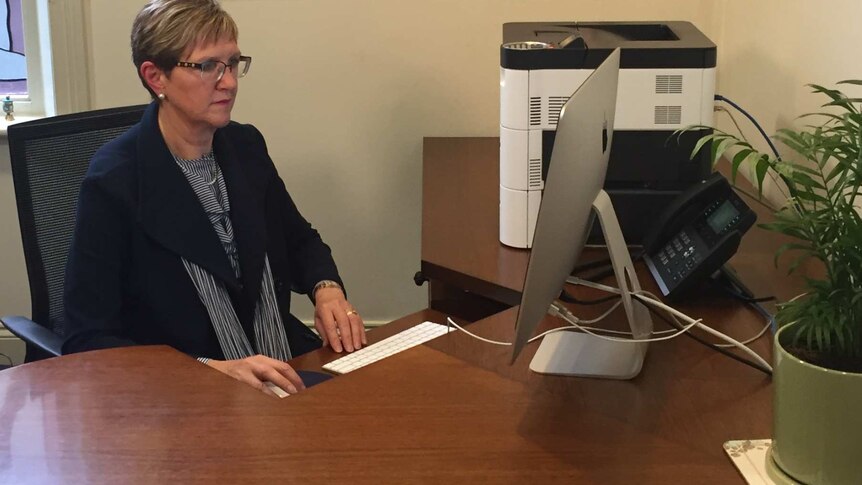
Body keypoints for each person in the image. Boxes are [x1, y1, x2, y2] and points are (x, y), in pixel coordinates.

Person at [62, 0, 366, 396]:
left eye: (233, 63)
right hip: (187, 395)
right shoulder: (115, 181)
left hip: (281, 366)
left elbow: (299, 240)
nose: (229, 82)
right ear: (156, 77)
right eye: (208, 67)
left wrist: (328, 289)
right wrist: (210, 371)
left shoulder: (245, 145)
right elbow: (88, 339)